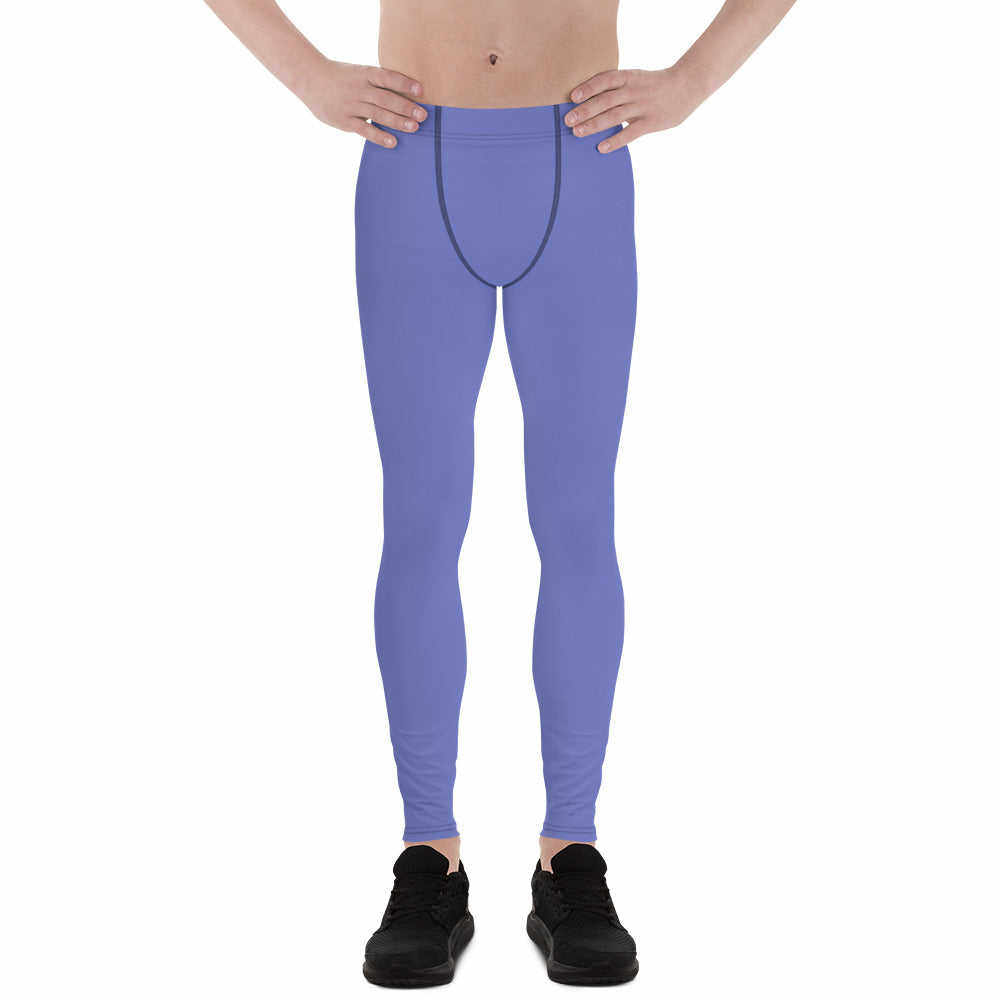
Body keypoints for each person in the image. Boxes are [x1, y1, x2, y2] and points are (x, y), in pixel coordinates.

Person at [204, 0, 797, 986]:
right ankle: (427, 854)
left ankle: (571, 854)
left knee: (577, 523)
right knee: (421, 522)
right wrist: (306, 74)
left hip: (579, 158)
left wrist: (692, 81)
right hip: (410, 163)